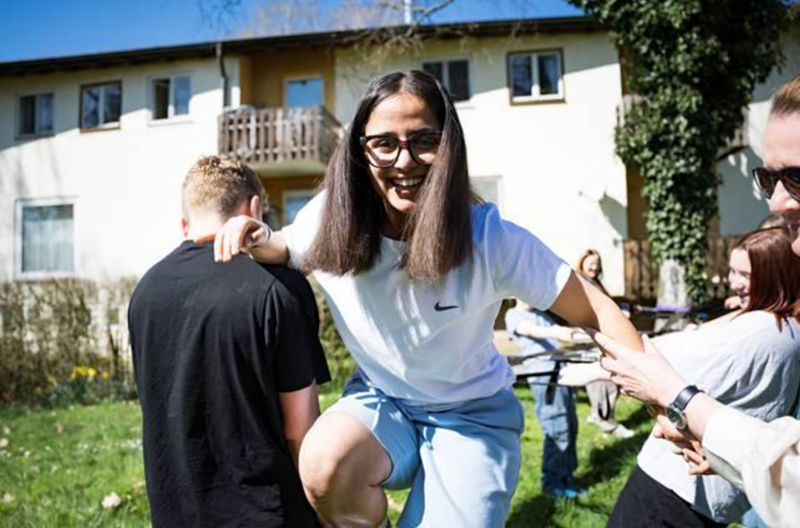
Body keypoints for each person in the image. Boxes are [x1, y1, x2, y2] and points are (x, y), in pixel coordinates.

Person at [209, 70, 642, 527]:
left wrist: (665, 399)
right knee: (323, 462)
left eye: (424, 140)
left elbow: (596, 310)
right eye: (384, 143)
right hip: (381, 402)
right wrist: (255, 235)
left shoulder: (491, 239)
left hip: (472, 417)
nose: (405, 161)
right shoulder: (330, 221)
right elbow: (284, 246)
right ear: (360, 150)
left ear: (449, 143)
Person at [594, 74, 800, 528]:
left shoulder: (769, 330)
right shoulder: (770, 324)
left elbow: (662, 362)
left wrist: (675, 394)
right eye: (769, 179)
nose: (778, 202)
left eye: (798, 178)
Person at [128, 156, 330, 527]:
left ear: (185, 222)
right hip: (271, 515)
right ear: (253, 210)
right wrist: (327, 510)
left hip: (176, 515)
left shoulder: (146, 291)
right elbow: (300, 428)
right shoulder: (279, 287)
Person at [606, 227, 800, 527]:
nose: (733, 282)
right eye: (732, 272)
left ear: (775, 276)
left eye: (745, 274)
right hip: (716, 488)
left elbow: (667, 369)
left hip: (677, 489)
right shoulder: (786, 327)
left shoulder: (761, 330)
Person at [504, 300, 586, 499]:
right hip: (544, 378)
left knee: (570, 425)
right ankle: (552, 483)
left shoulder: (542, 315)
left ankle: (567, 477)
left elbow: (564, 333)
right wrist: (557, 332)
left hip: (561, 373)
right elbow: (530, 330)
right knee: (556, 427)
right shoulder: (513, 314)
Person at [575, 249, 634, 438]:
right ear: (582, 263)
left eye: (597, 264)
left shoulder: (596, 283)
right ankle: (606, 422)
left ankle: (599, 415)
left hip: (602, 335)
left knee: (610, 378)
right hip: (591, 336)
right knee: (602, 380)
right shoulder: (580, 283)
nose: (595, 267)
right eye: (591, 263)